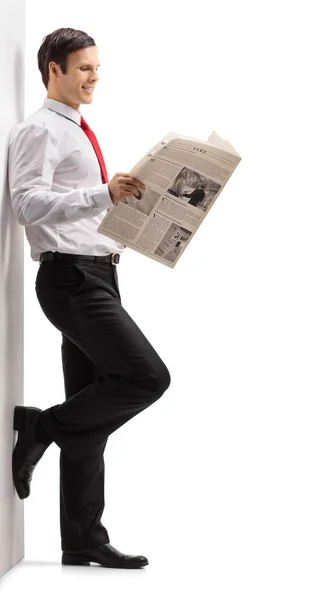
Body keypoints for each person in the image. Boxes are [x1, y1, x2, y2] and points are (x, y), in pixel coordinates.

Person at [7, 27, 171, 569]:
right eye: (83, 68)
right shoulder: (40, 131)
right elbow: (27, 204)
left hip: (98, 273)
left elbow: (73, 204)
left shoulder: (77, 129)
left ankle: (82, 537)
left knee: (92, 409)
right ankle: (41, 428)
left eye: (97, 67)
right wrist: (104, 193)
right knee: (147, 377)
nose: (94, 76)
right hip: (70, 280)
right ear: (53, 69)